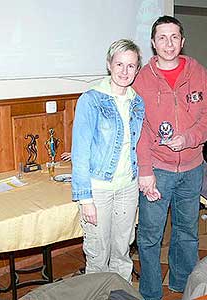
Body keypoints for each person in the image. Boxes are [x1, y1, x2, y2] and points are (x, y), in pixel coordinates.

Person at [132, 16, 207, 300]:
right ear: (153, 43)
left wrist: (190, 138)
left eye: (174, 37)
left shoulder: (198, 73)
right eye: (162, 38)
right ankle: (151, 292)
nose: (168, 43)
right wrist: (145, 170)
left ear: (182, 41)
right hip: (157, 169)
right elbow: (140, 130)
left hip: (193, 168)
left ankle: (183, 286)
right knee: (149, 236)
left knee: (188, 232)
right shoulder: (141, 79)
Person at [70, 39, 144, 282]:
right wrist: (85, 199)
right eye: (119, 64)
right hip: (98, 190)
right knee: (97, 256)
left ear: (137, 68)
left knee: (122, 253)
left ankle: (119, 295)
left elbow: (137, 146)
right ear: (109, 65)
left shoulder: (138, 102)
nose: (124, 71)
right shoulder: (91, 100)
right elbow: (80, 152)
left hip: (128, 188)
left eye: (131, 66)